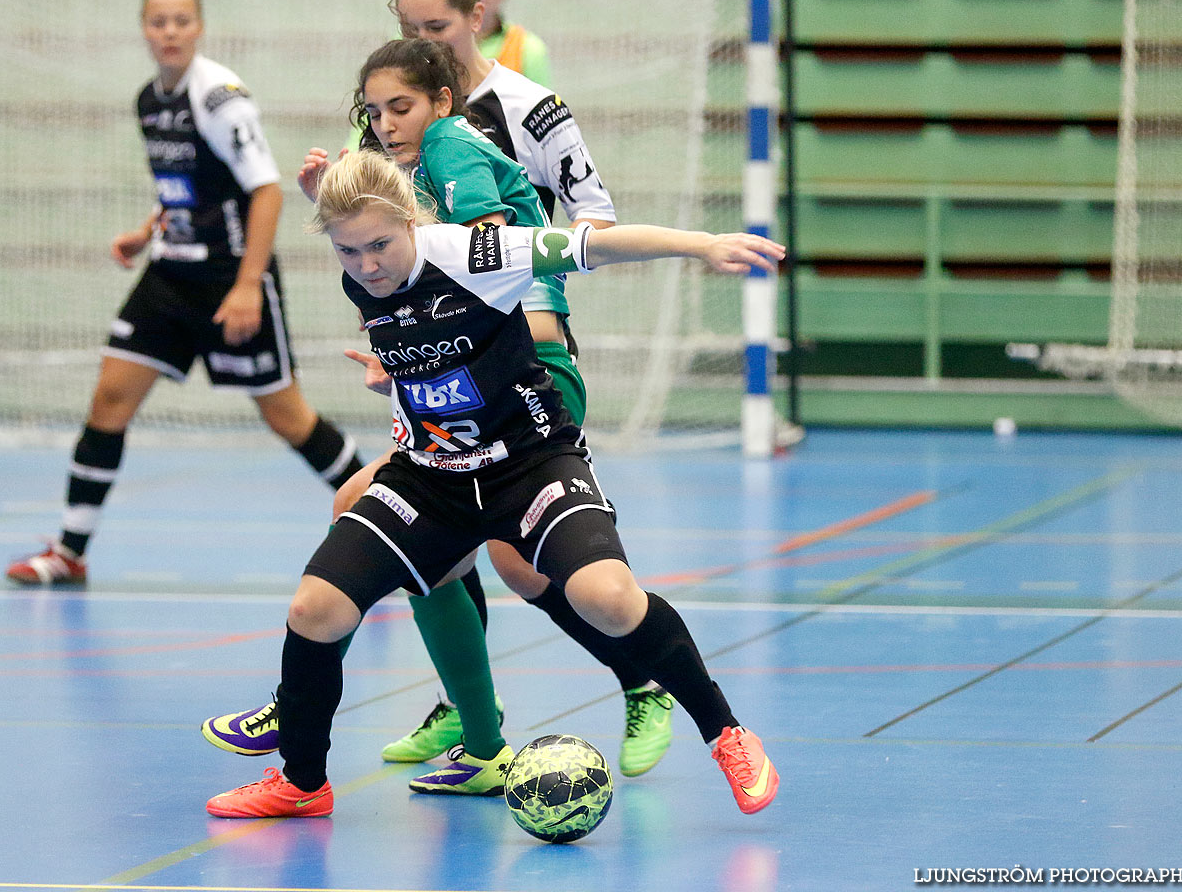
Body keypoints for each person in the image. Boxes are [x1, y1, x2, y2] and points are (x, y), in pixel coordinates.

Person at [206, 0, 677, 780]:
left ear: (477, 13)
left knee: (510, 562)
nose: (425, 38)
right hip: (431, 363)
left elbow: (590, 219)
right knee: (419, 539)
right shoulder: (391, 115)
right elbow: (376, 235)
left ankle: (632, 678)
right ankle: (475, 724)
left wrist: (526, 311)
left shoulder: (526, 112)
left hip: (520, 353)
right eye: (409, 27)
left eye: (437, 26)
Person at [202, 148, 784, 820]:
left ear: (410, 222)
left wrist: (702, 245)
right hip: (433, 477)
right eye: (348, 251)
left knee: (609, 599)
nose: (367, 265)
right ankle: (302, 783)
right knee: (314, 610)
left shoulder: (474, 253)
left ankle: (727, 733)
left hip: (528, 462)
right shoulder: (362, 269)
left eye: (380, 245)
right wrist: (401, 378)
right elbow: (433, 347)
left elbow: (599, 242)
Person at [5, 0, 364, 586]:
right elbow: (190, 187)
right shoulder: (149, 99)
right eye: (158, 22)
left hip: (230, 276)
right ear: (145, 30)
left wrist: (248, 284)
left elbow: (266, 191)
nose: (169, 31)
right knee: (109, 399)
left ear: (198, 28)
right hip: (170, 273)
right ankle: (70, 551)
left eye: (181, 21)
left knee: (287, 417)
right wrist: (147, 230)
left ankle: (382, 532)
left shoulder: (220, 98)